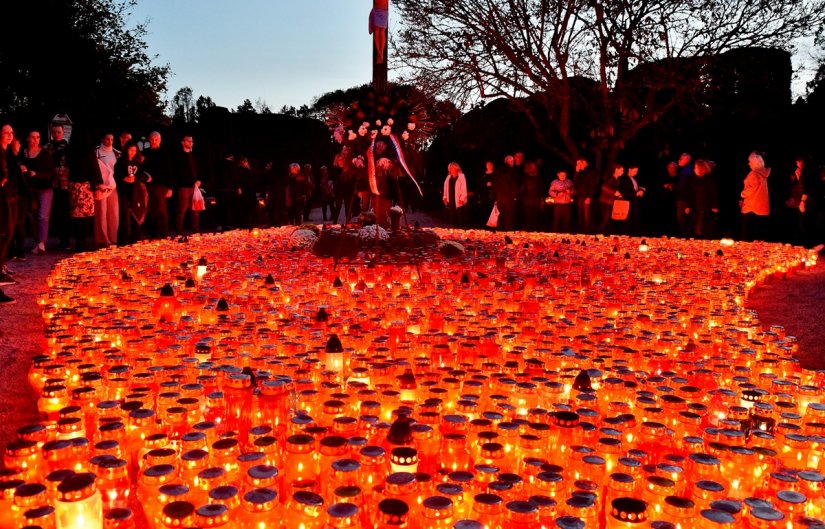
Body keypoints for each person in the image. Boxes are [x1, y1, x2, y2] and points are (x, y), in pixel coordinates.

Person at [20, 130, 55, 255]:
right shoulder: (23, 153)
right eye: (33, 137)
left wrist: (37, 174)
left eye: (38, 137)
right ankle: (37, 241)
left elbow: (51, 173)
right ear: (28, 138)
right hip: (30, 189)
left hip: (44, 187)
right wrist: (23, 169)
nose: (35, 139)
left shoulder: (45, 154)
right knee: (32, 216)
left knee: (43, 216)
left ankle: (41, 243)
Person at [114, 141, 148, 245]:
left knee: (136, 214)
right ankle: (123, 239)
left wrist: (137, 178)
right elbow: (116, 175)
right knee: (124, 215)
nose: (132, 153)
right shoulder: (120, 162)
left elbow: (141, 174)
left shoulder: (138, 162)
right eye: (130, 150)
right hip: (124, 191)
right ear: (126, 150)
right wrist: (124, 178)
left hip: (135, 192)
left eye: (134, 151)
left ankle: (135, 238)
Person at [0, 124, 19, 301]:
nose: (9, 135)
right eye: (6, 132)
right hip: (2, 199)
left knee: (7, 235)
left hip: (10, 197)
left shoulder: (9, 154)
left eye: (11, 133)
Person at [142, 131, 172, 239]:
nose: (154, 141)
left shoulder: (165, 153)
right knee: (151, 209)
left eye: (156, 139)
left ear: (160, 140)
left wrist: (170, 188)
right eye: (152, 139)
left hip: (161, 185)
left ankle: (164, 233)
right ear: (149, 140)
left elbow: (169, 171)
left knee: (161, 209)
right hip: (149, 185)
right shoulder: (145, 153)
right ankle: (155, 232)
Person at [46, 123, 72, 250]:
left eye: (58, 132)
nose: (56, 134)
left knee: (65, 212)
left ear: (63, 133)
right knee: (55, 212)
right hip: (52, 184)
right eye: (54, 132)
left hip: (65, 184)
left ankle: (66, 240)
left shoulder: (68, 147)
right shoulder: (47, 148)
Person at [94, 133, 119, 247]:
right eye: (107, 139)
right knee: (101, 212)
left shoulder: (117, 153)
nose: (110, 141)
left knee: (113, 212)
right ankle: (102, 239)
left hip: (113, 186)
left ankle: (113, 238)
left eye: (112, 139)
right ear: (102, 139)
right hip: (101, 187)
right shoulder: (96, 152)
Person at [740, 151, 771, 242]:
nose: (748, 163)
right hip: (762, 208)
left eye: (750, 161)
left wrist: (743, 194)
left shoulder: (754, 174)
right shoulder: (764, 173)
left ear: (755, 162)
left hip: (751, 208)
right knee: (759, 236)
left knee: (747, 236)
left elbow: (751, 188)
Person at [684, 159, 719, 238]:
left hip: (706, 206)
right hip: (696, 206)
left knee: (705, 226)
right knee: (694, 226)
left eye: (696, 167)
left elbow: (714, 193)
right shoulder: (693, 179)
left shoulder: (709, 178)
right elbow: (690, 193)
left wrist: (715, 205)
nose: (694, 169)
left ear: (701, 169)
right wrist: (688, 205)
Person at [173, 135, 201, 235]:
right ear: (183, 142)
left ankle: (196, 230)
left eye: (191, 141)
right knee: (182, 210)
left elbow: (196, 170)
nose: (190, 142)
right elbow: (179, 172)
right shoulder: (178, 156)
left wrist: (198, 180)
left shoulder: (193, 155)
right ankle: (179, 232)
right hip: (184, 186)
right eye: (188, 141)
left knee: (195, 210)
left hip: (194, 187)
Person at [491, 155, 518, 231]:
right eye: (512, 161)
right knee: (509, 217)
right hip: (509, 197)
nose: (513, 162)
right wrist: (515, 196)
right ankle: (508, 233)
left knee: (500, 216)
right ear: (508, 161)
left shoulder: (498, 171)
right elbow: (514, 184)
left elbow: (495, 184)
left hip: (499, 197)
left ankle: (500, 232)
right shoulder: (511, 171)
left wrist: (495, 196)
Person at [597, 164, 625, 234]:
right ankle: (599, 234)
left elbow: (614, 190)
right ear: (616, 170)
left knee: (609, 219)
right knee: (605, 219)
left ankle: (606, 234)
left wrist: (619, 195)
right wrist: (614, 193)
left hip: (611, 202)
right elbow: (604, 187)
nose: (623, 172)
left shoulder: (617, 180)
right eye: (621, 170)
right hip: (604, 201)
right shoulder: (610, 178)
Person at [573, 157, 598, 233]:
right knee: (580, 213)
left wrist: (589, 197)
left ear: (584, 162)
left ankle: (588, 230)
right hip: (580, 195)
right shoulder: (580, 172)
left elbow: (592, 185)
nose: (577, 165)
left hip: (586, 196)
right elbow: (575, 181)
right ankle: (581, 229)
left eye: (578, 163)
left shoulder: (590, 171)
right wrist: (576, 172)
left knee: (586, 214)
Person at [547, 168, 576, 233]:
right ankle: (554, 235)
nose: (563, 177)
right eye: (561, 175)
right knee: (556, 220)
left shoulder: (569, 181)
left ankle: (565, 235)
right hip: (558, 204)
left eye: (564, 175)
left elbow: (574, 190)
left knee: (566, 221)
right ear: (558, 174)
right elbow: (550, 192)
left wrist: (570, 191)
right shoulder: (554, 182)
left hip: (567, 204)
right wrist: (557, 194)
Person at [519, 160, 544, 231]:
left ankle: (534, 228)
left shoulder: (538, 178)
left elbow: (541, 188)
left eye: (534, 167)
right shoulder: (526, 178)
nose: (534, 168)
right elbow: (522, 189)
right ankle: (528, 228)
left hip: (535, 199)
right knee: (528, 215)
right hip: (528, 200)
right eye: (532, 166)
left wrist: (541, 199)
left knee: (534, 214)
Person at [442, 162, 468, 227]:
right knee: (452, 215)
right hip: (450, 198)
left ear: (456, 168)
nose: (451, 169)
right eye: (450, 168)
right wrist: (444, 197)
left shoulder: (461, 176)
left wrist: (462, 198)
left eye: (453, 167)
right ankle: (452, 230)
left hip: (459, 198)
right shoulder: (448, 177)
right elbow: (445, 187)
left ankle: (461, 230)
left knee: (460, 216)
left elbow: (464, 188)